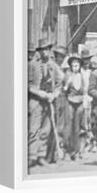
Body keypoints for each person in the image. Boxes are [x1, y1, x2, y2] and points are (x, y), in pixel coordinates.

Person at [28, 37, 62, 168]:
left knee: (46, 130)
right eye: (42, 50)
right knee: (33, 129)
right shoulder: (32, 64)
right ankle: (32, 156)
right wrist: (39, 93)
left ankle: (41, 155)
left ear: (49, 50)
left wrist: (54, 95)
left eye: (47, 49)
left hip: (49, 102)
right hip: (36, 101)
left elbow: (59, 84)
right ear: (39, 51)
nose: (44, 52)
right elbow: (28, 84)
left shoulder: (54, 66)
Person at [64, 53, 86, 160]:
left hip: (80, 102)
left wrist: (85, 100)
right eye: (73, 65)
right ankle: (68, 150)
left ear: (80, 66)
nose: (75, 67)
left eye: (77, 65)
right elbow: (64, 90)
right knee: (69, 126)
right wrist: (67, 84)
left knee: (78, 127)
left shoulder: (82, 76)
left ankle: (76, 151)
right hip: (70, 101)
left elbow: (85, 91)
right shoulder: (68, 75)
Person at [80, 47, 94, 155]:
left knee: (91, 121)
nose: (86, 62)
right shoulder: (79, 71)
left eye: (88, 59)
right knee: (83, 122)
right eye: (84, 60)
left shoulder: (92, 71)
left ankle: (92, 142)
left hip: (91, 98)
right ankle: (84, 144)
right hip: (82, 98)